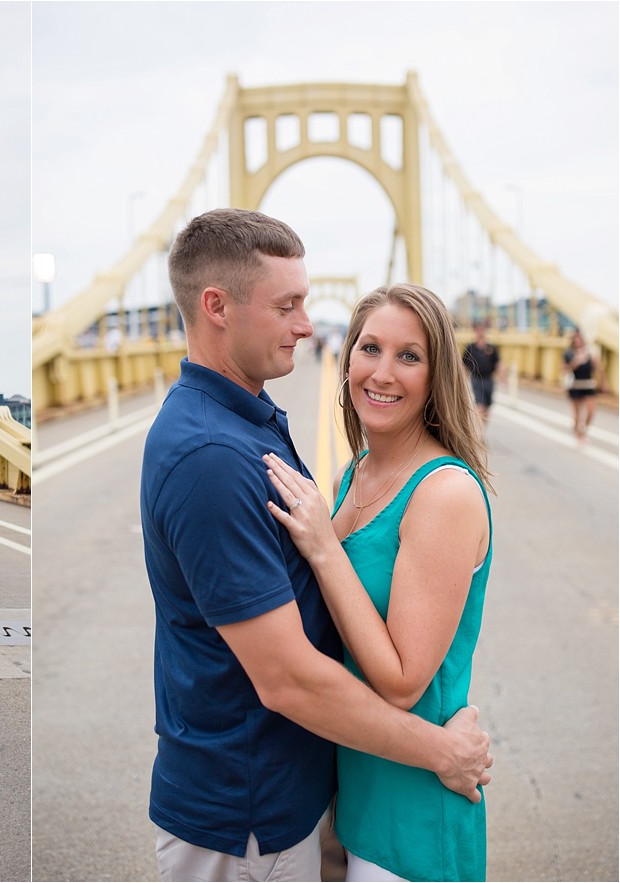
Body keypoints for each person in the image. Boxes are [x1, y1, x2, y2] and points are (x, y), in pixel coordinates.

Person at [138, 208, 490, 881]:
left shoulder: (255, 423)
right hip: (251, 813)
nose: (307, 324)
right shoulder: (215, 454)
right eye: (289, 305)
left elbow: (395, 664)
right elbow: (290, 677)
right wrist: (442, 750)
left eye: (409, 355)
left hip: (360, 802)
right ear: (217, 306)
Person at [261, 283, 493, 881]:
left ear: (436, 375)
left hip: (414, 817)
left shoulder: (444, 493)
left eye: (408, 356)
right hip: (355, 796)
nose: (382, 373)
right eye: (369, 348)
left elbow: (400, 683)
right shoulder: (356, 473)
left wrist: (320, 543)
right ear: (346, 361)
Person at [459, 321, 498, 425]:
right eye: (478, 329)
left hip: (489, 379)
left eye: (482, 329)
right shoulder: (470, 347)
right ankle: (479, 434)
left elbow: (497, 363)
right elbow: (464, 365)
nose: (480, 332)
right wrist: (461, 381)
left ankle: (482, 427)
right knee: (480, 405)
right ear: (475, 331)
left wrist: (505, 378)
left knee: (487, 406)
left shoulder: (491, 347)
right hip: (476, 378)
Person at [566, 328, 600, 448]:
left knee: (591, 411)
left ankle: (583, 431)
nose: (578, 341)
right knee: (577, 412)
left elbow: (597, 368)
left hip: (588, 384)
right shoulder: (569, 353)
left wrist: (604, 383)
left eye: (580, 338)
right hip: (575, 384)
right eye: (576, 339)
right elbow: (564, 369)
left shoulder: (590, 352)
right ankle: (577, 433)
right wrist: (575, 362)